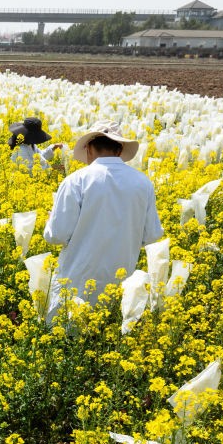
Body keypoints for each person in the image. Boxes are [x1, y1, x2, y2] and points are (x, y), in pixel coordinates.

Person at [42, 121, 163, 321]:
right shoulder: (143, 183)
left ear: (88, 148)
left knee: (69, 342)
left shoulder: (76, 181)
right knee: (109, 340)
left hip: (76, 286)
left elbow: (56, 235)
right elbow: (151, 235)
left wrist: (50, 220)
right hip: (120, 289)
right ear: (120, 149)